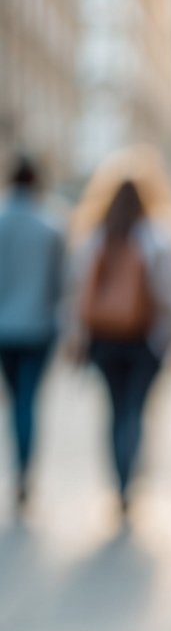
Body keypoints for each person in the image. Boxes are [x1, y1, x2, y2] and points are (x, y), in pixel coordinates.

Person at [70, 166, 171, 516]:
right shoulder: (157, 236)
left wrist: (78, 337)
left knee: (115, 410)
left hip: (103, 338)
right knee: (135, 408)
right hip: (144, 340)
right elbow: (168, 294)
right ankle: (129, 477)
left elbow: (80, 291)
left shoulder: (96, 235)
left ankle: (119, 482)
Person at [0, 155, 65, 512]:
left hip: (3, 328)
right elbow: (61, 285)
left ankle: (19, 467)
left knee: (15, 401)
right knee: (27, 401)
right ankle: (24, 472)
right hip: (38, 328)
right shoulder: (51, 225)